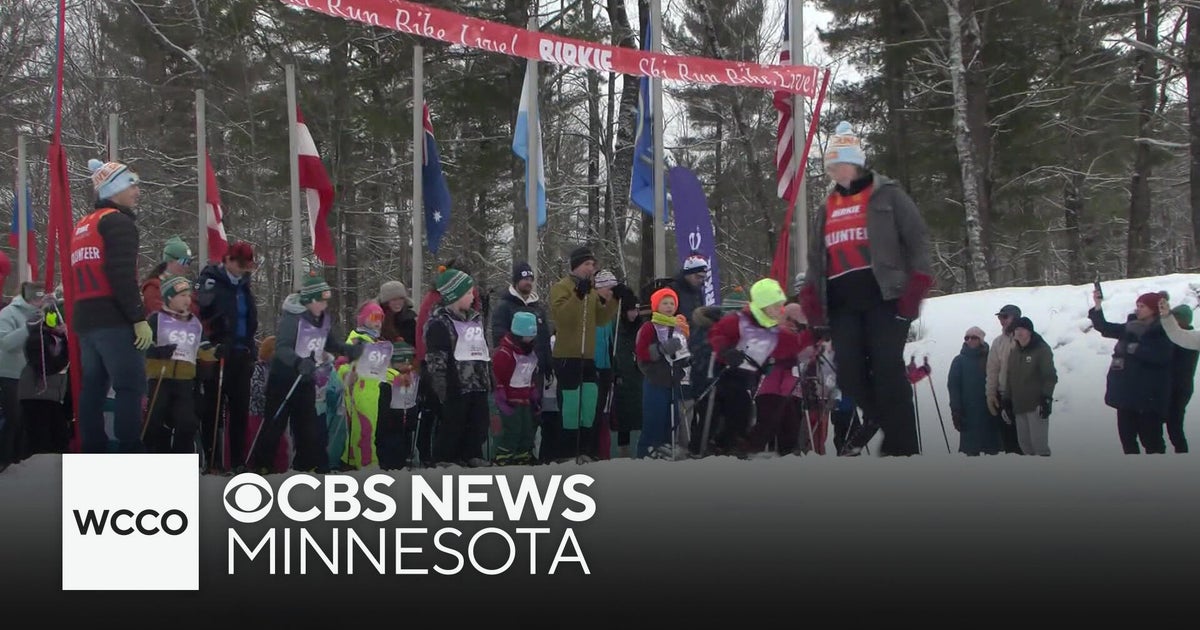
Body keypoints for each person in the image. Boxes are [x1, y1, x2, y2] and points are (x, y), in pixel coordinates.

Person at [798, 121, 933, 457]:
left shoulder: (887, 194)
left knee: (888, 369)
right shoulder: (825, 207)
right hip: (843, 301)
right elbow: (817, 259)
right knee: (850, 376)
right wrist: (812, 300)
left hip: (884, 295)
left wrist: (917, 284)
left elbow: (917, 239)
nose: (834, 171)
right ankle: (889, 423)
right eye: (830, 165)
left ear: (856, 163)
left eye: (839, 163)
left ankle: (903, 447)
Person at [72, 158, 150, 454]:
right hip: (113, 318)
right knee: (130, 385)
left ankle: (93, 449)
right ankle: (130, 450)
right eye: (132, 185)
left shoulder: (84, 223)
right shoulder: (118, 222)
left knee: (93, 387)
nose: (137, 191)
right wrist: (137, 316)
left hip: (86, 318)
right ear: (114, 188)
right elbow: (120, 273)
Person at [249, 271, 362, 473]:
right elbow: (282, 348)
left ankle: (305, 466)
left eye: (325, 302)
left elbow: (330, 342)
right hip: (283, 380)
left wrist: (348, 350)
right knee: (275, 424)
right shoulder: (293, 319)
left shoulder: (322, 319)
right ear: (309, 300)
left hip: (306, 379)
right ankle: (262, 465)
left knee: (307, 426)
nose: (324, 306)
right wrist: (298, 362)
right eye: (320, 301)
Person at [709, 278, 811, 457]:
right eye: (775, 306)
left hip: (750, 374)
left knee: (747, 410)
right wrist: (726, 351)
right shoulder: (739, 320)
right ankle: (724, 443)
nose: (780, 310)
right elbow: (717, 333)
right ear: (763, 305)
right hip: (727, 370)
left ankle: (732, 443)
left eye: (781, 306)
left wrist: (814, 337)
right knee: (739, 406)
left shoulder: (774, 329)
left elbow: (792, 345)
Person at [549, 247, 619, 463]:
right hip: (568, 356)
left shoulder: (590, 290)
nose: (591, 268)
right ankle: (567, 452)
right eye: (588, 264)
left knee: (589, 403)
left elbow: (601, 318)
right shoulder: (561, 287)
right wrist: (578, 295)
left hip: (587, 357)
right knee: (571, 405)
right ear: (577, 265)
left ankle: (585, 449)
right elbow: (562, 317)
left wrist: (615, 299)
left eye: (593, 264)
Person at [195, 241, 259, 472]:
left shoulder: (244, 286)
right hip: (218, 353)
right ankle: (213, 459)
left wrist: (251, 347)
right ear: (228, 260)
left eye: (247, 266)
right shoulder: (211, 282)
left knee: (240, 408)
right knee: (214, 408)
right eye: (240, 264)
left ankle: (238, 460)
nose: (243, 270)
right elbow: (202, 315)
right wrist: (211, 341)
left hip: (242, 352)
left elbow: (249, 320)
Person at [423, 267, 493, 467]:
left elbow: (483, 348)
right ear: (455, 295)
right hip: (456, 383)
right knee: (453, 423)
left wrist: (488, 376)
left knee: (479, 422)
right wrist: (441, 385)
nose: (473, 296)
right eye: (469, 293)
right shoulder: (440, 323)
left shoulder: (475, 318)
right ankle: (446, 458)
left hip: (477, 381)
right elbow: (437, 358)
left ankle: (472, 453)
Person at [1088, 290, 1173, 454]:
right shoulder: (1129, 328)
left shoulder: (1164, 330)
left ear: (1153, 310)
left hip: (1149, 399)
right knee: (1127, 441)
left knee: (1152, 443)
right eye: (1137, 306)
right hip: (1126, 396)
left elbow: (1162, 356)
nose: (1138, 309)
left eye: (1142, 306)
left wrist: (1136, 349)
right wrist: (1098, 305)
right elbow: (1104, 327)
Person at [142, 275, 205, 454]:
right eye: (182, 295)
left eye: (188, 295)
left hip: (185, 381)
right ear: (169, 297)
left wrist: (216, 352)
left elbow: (202, 347)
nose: (187, 300)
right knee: (156, 421)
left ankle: (181, 460)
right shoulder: (156, 319)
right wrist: (157, 352)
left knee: (187, 423)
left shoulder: (194, 323)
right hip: (160, 379)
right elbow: (142, 345)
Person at [635, 288, 692, 459]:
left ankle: (665, 450)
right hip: (655, 380)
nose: (669, 307)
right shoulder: (649, 327)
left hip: (674, 381)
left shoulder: (679, 328)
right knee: (654, 419)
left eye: (672, 303)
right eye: (665, 303)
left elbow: (683, 351)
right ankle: (646, 452)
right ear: (656, 306)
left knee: (671, 420)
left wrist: (687, 359)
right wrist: (660, 349)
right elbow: (642, 353)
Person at [337, 302, 391, 469]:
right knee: (364, 430)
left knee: (365, 429)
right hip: (358, 392)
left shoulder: (376, 342)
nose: (378, 322)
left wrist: (398, 378)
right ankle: (368, 464)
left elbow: (382, 369)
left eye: (380, 318)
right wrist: (346, 374)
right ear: (363, 319)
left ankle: (352, 460)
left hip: (372, 392)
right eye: (373, 317)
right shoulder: (357, 340)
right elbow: (340, 363)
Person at [19, 294, 71, 456]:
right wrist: (68, 353)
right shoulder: (38, 338)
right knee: (39, 439)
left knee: (60, 438)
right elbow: (46, 365)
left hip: (54, 396)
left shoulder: (61, 339)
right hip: (35, 395)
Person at [1001, 317, 1057, 456]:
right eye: (1016, 329)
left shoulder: (1041, 349)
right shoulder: (1014, 352)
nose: (1019, 332)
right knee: (1025, 445)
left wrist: (1046, 398)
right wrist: (1006, 401)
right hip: (1019, 406)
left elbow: (1050, 376)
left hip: (1036, 406)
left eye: (1023, 329)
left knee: (1039, 445)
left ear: (1030, 331)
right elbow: (1009, 378)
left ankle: (1046, 473)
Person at [493, 311, 543, 465]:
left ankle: (523, 454)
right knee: (512, 429)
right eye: (527, 337)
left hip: (525, 397)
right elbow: (498, 375)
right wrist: (500, 394)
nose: (530, 340)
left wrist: (534, 393)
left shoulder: (529, 352)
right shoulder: (505, 353)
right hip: (509, 400)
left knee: (527, 428)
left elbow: (530, 374)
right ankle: (504, 455)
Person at [491, 261, 553, 379]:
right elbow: (499, 337)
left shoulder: (538, 309)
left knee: (536, 397)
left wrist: (548, 365)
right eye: (525, 279)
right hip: (514, 368)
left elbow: (545, 339)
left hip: (536, 369)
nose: (528, 282)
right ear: (516, 281)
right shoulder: (504, 307)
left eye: (530, 279)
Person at [948, 326, 1002, 456]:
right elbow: (953, 387)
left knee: (992, 451)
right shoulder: (959, 361)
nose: (969, 340)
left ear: (981, 340)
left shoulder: (991, 358)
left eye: (974, 337)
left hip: (990, 411)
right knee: (971, 453)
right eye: (967, 337)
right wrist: (956, 410)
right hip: (968, 413)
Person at [1157, 298, 1198, 453]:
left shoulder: (1190, 340)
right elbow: (1175, 333)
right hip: (1168, 386)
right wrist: (1165, 316)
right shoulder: (1178, 335)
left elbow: (1178, 336)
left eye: (1176, 318)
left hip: (1181, 388)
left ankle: (1181, 452)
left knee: (1174, 423)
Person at [986, 304, 1024, 454]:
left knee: (1027, 443)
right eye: (1000, 317)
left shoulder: (1026, 338)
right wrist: (990, 394)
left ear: (1016, 317)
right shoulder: (998, 342)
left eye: (1005, 317)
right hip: (1003, 397)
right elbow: (992, 370)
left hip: (1025, 397)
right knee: (1009, 443)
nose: (1001, 320)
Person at [378, 341, 421, 469]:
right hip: (392, 417)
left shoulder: (414, 375)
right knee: (392, 439)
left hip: (408, 416)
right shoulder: (387, 378)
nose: (407, 364)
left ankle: (404, 458)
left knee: (404, 438)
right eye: (403, 360)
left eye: (409, 360)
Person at [141, 236, 194, 316]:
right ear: (170, 260)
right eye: (183, 261)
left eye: (189, 262)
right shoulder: (153, 286)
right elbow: (159, 315)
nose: (186, 266)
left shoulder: (186, 285)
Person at [668, 254, 710, 328]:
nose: (700, 280)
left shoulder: (697, 290)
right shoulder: (672, 289)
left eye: (703, 277)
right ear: (688, 274)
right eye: (698, 277)